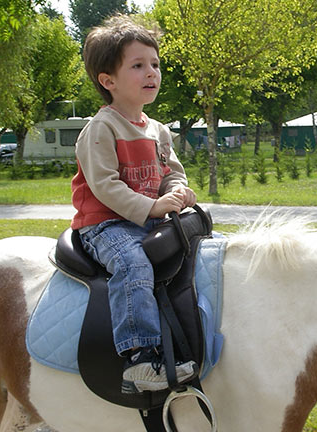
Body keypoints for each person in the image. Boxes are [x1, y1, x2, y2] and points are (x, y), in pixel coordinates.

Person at [71, 15, 198, 394]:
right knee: (132, 263)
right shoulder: (101, 128)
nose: (151, 73)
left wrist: (178, 192)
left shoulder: (157, 129)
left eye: (155, 64)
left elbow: (171, 172)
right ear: (108, 81)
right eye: (138, 66)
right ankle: (140, 357)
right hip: (105, 224)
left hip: (143, 218)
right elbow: (106, 186)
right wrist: (153, 207)